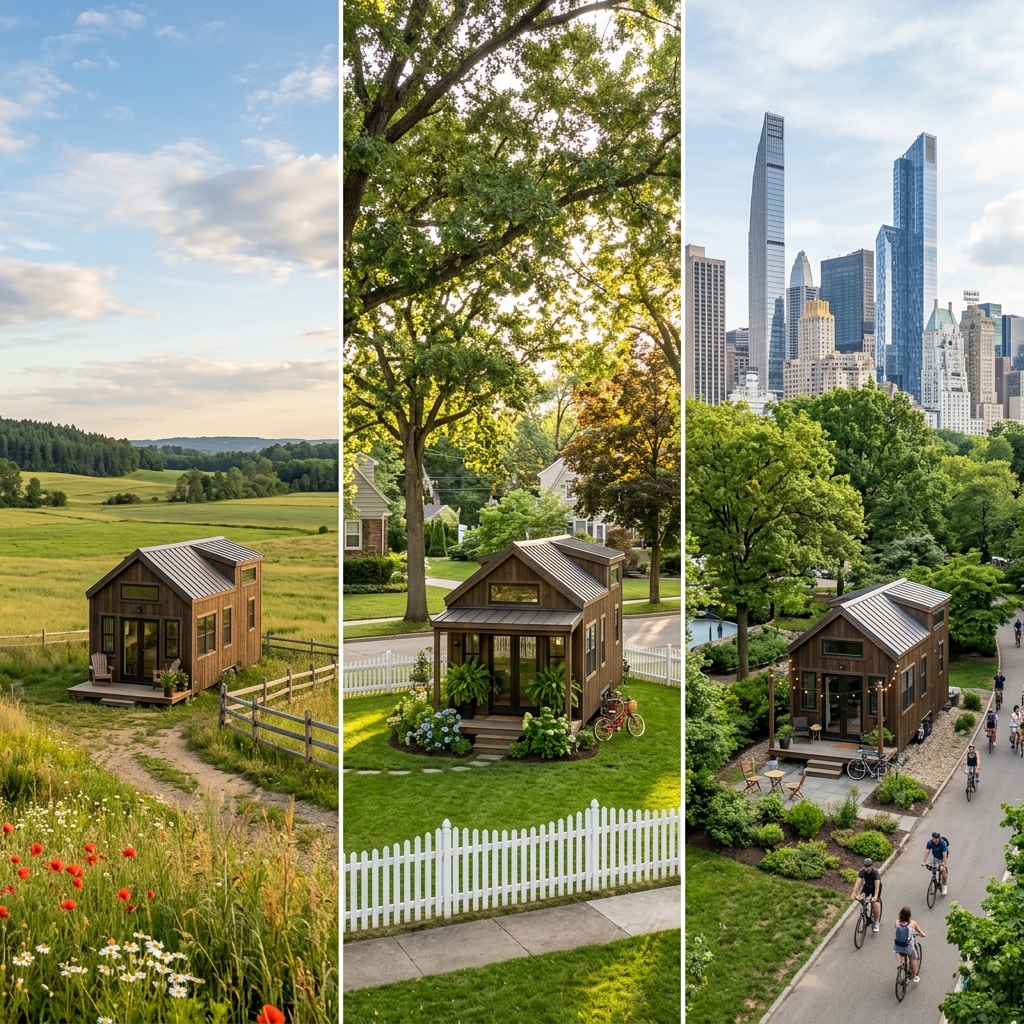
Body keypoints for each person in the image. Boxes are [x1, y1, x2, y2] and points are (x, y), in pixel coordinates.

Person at [893, 906, 925, 983]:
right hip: (907, 946)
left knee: (901, 954)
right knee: (913, 958)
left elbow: (897, 929)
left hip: (897, 946)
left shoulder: (897, 922)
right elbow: (920, 931)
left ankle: (901, 966)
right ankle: (914, 976)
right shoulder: (913, 924)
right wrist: (923, 934)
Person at [851, 857, 882, 932]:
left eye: (868, 866)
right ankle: (866, 910)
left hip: (875, 888)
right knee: (862, 897)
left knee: (875, 903)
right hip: (867, 886)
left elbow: (877, 886)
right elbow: (858, 882)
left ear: (871, 866)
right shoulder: (862, 871)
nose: (867, 868)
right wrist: (854, 893)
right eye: (865, 866)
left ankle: (876, 922)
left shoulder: (875, 873)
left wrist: (875, 896)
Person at [922, 830, 949, 895]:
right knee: (931, 867)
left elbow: (944, 855)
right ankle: (934, 880)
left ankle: (944, 886)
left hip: (941, 857)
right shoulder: (930, 842)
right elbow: (927, 852)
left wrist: (943, 864)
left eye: (936, 839)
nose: (935, 840)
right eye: (933, 838)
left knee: (942, 870)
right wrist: (924, 862)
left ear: (939, 838)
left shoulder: (943, 843)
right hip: (934, 856)